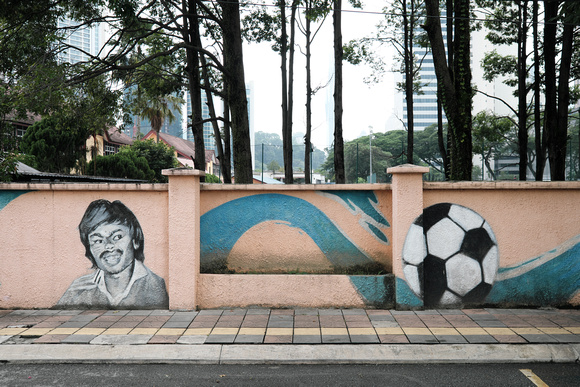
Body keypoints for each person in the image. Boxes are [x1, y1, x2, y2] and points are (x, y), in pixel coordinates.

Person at [57, 199, 168, 309]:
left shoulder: (156, 286)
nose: (108, 246)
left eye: (117, 237)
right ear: (89, 248)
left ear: (135, 241)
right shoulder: (78, 289)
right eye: (98, 241)